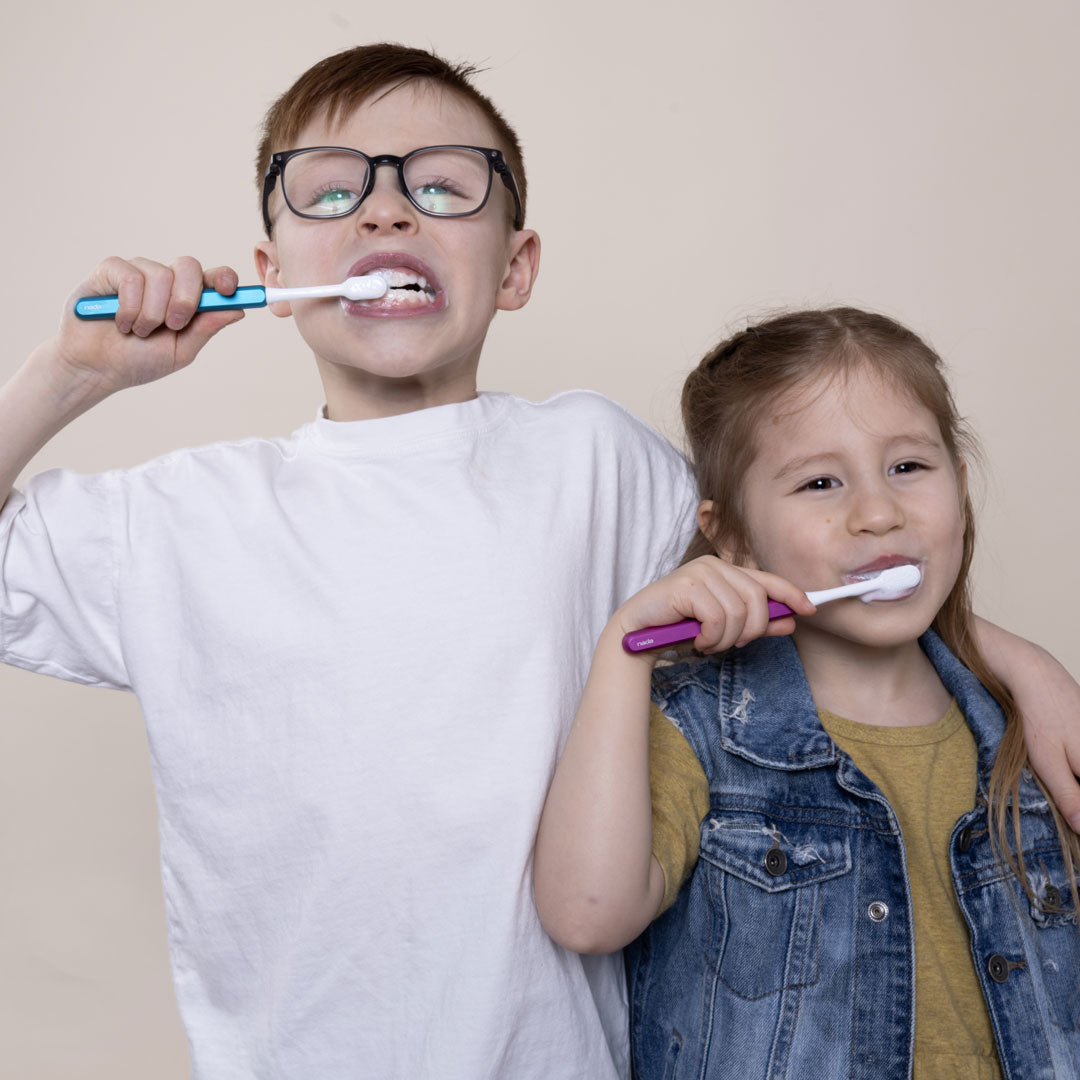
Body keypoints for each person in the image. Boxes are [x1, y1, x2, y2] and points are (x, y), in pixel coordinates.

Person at [0, 43, 1076, 1079]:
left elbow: (801, 566)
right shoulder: (178, 520)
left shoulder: (594, 462)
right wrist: (68, 376)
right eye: (332, 190)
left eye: (443, 186)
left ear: (514, 269)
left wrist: (1010, 661)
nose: (386, 209)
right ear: (274, 272)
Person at [534, 307, 1080, 1078]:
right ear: (735, 539)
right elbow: (587, 914)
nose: (878, 513)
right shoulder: (694, 731)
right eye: (820, 482)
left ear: (960, 488)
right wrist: (624, 649)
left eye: (909, 468)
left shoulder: (1029, 731)